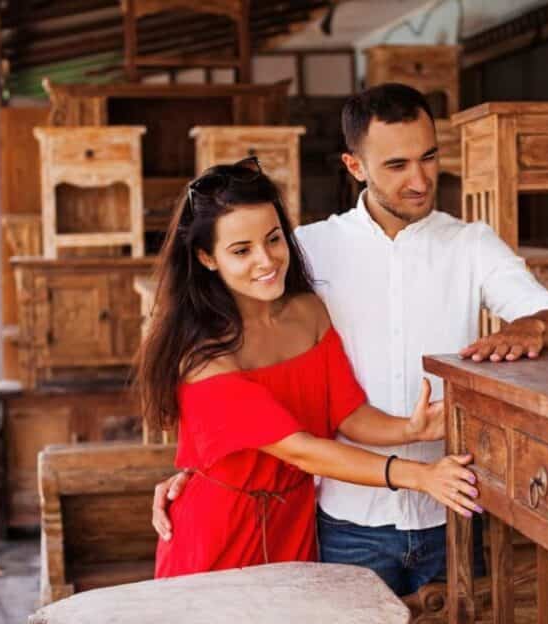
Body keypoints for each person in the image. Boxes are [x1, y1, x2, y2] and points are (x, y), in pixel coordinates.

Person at [153, 84, 548, 596]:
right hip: (342, 520)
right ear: (354, 166)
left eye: (429, 157)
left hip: (452, 508)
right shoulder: (305, 251)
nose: (420, 181)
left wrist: (530, 327)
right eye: (396, 165)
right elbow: (212, 347)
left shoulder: (471, 245)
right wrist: (195, 475)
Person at [136, 156, 481, 578]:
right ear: (207, 258)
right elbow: (301, 449)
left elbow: (346, 413)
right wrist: (420, 476)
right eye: (241, 251)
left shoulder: (309, 311)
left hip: (295, 523)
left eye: (274, 239)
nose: (266, 260)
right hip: (219, 534)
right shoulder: (203, 357)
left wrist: (409, 429)